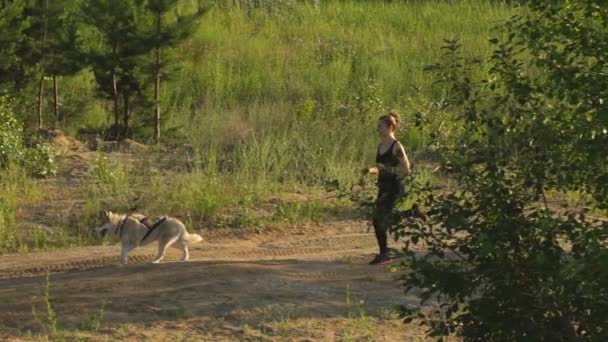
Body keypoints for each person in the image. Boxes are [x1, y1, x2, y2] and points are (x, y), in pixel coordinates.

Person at [363, 111, 411, 265]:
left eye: (381, 126)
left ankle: (385, 253)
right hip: (383, 187)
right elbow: (380, 168)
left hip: (394, 187)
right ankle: (384, 252)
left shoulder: (396, 146)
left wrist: (387, 170)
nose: (378, 129)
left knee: (380, 218)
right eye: (378, 126)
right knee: (380, 219)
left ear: (391, 127)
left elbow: (406, 170)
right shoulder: (381, 146)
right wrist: (371, 170)